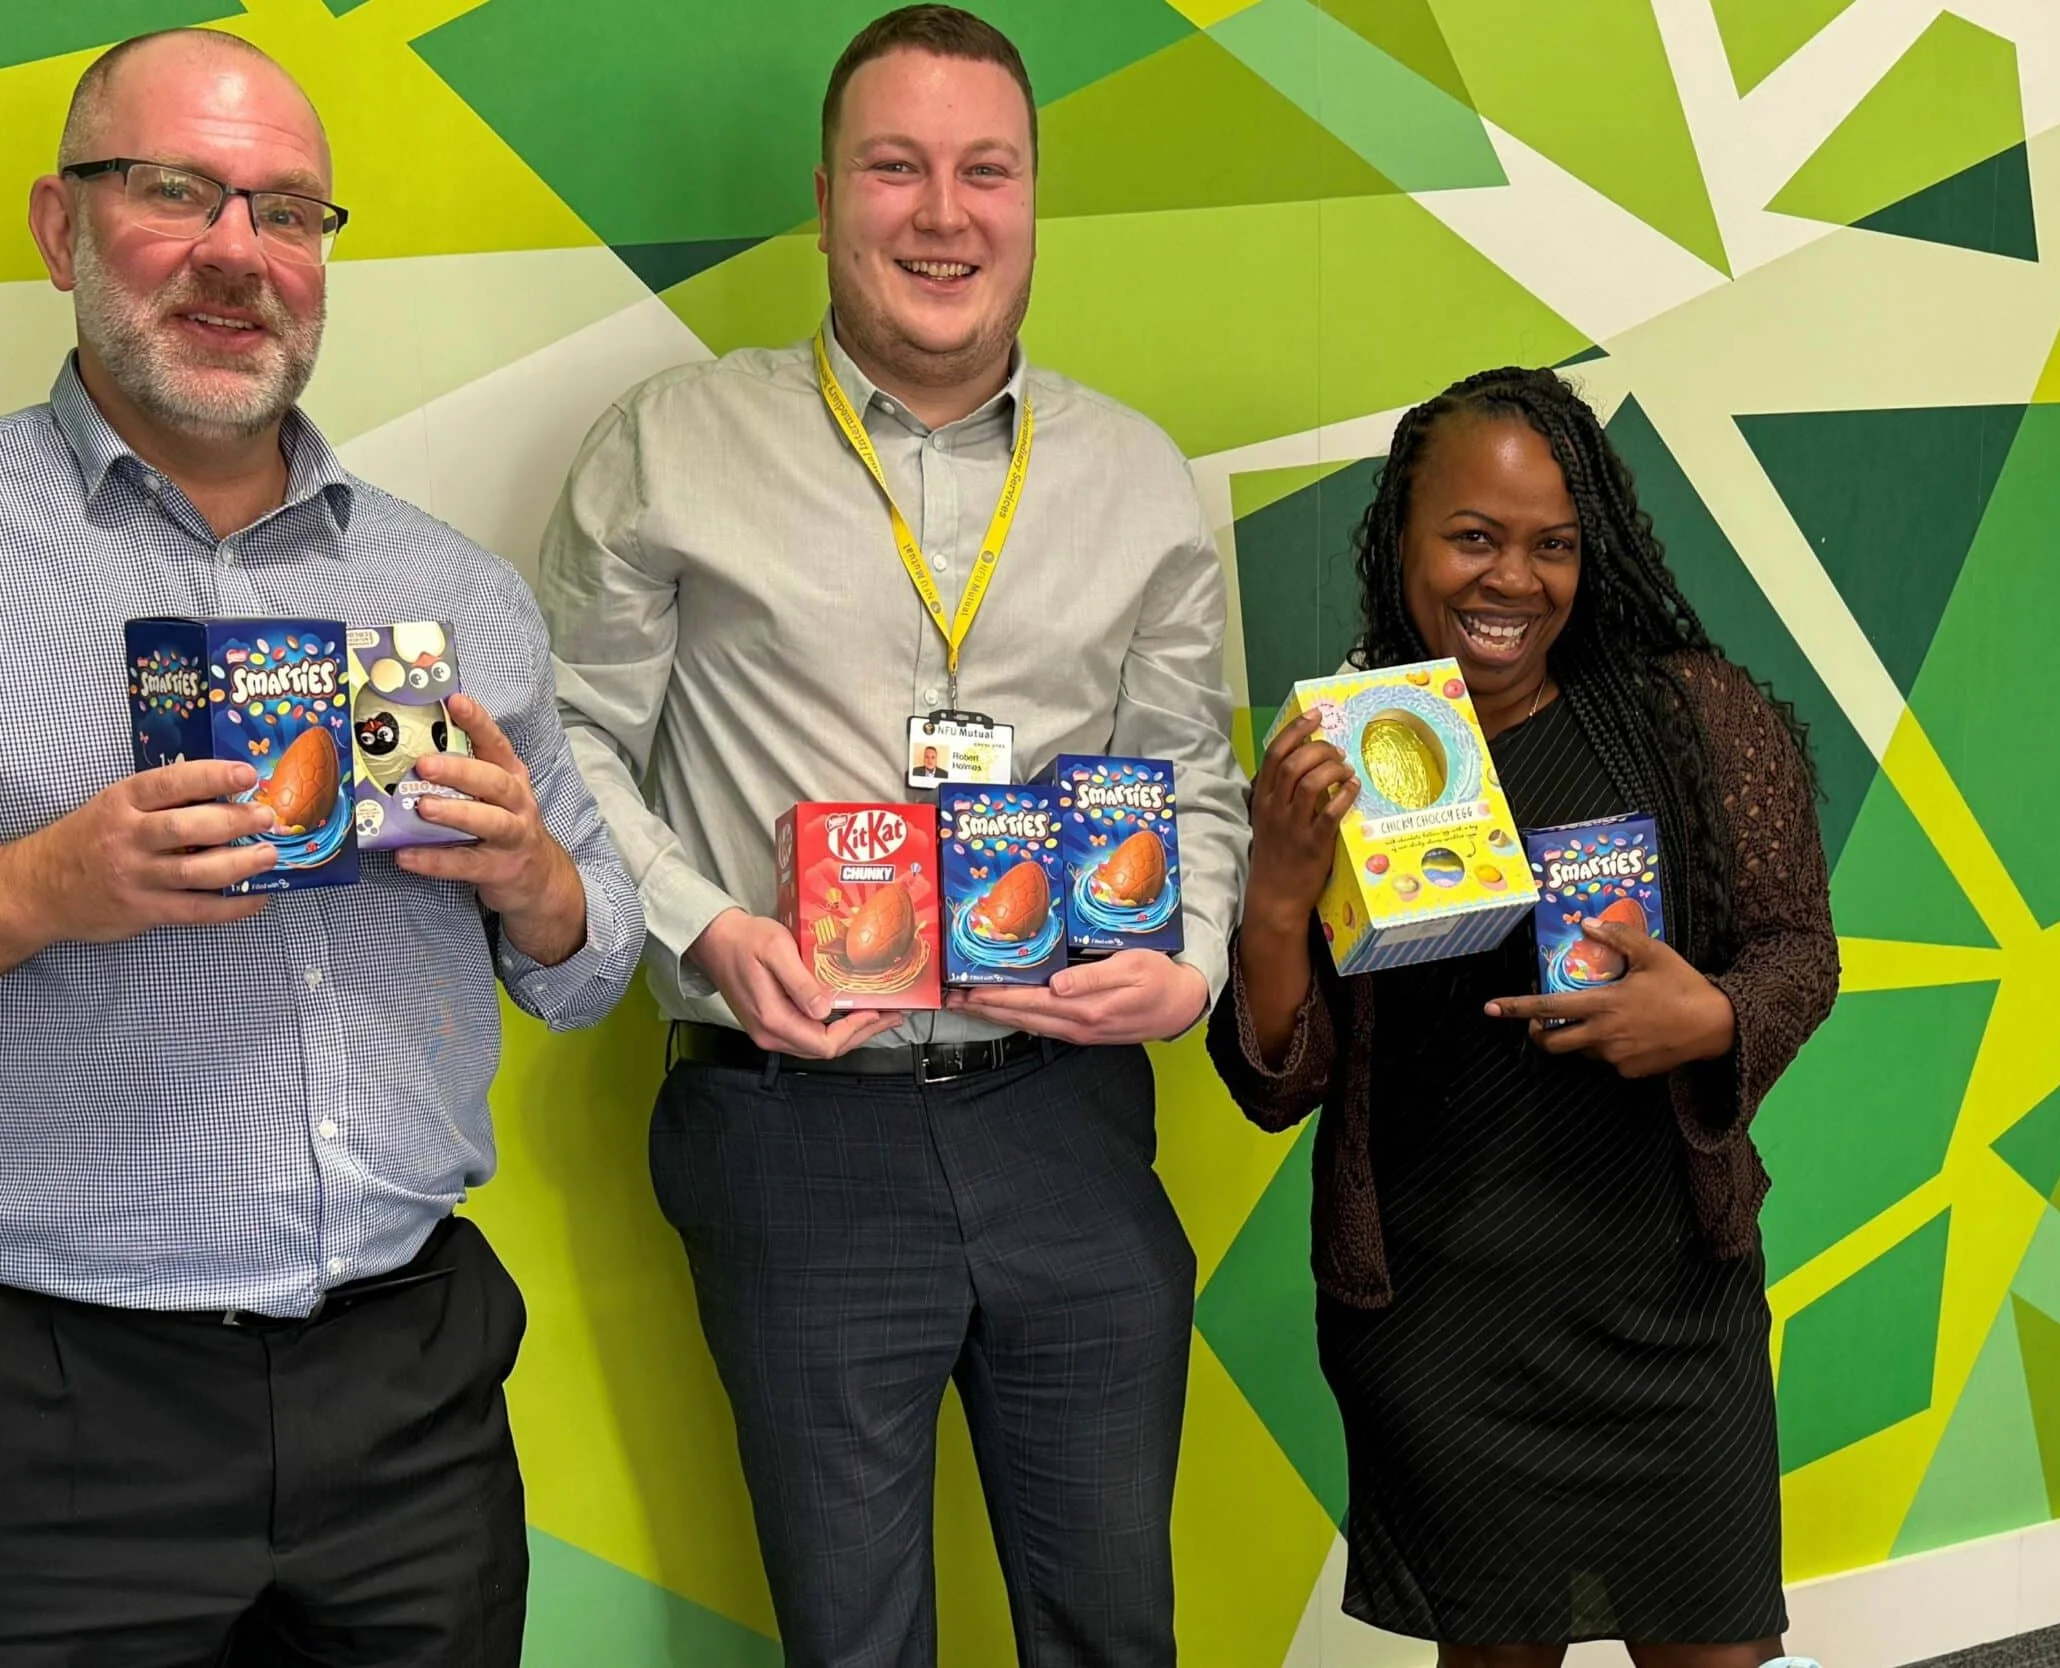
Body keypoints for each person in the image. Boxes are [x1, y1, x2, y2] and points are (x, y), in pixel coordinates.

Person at [0, 29, 642, 1666]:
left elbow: (593, 966)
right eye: (176, 192)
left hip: (412, 1392)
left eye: (289, 212)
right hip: (46, 1418)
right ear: (62, 225)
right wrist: (29, 889)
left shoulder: (456, 594)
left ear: (324, 257)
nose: (236, 253)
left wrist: (538, 885)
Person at [537, 6, 1246, 1661]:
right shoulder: (668, 446)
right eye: (897, 167)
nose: (944, 213)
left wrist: (1194, 962)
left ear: (1032, 198)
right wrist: (704, 927)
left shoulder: (1139, 478)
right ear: (826, 194)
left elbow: (1187, 775)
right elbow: (564, 742)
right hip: (793, 1131)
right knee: (853, 1642)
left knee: (1113, 1630)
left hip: (1065, 1115)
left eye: (985, 170)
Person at [1211, 367, 1836, 1668]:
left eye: (1553, 545)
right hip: (1444, 1321)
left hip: (1671, 1306)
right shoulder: (1352, 750)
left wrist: (1712, 1017)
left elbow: (1797, 952)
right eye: (1475, 537)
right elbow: (1282, 1078)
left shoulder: (1692, 721)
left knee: (1719, 1654)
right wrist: (1276, 898)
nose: (1515, 581)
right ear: (1403, 537)